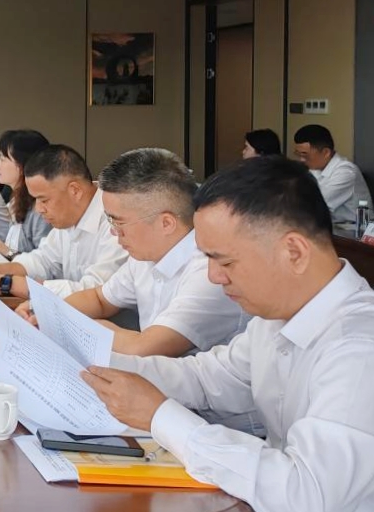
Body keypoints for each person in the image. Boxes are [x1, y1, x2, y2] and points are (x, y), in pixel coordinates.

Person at [82, 156, 374, 512]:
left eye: (225, 262)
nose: (213, 276)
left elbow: (307, 494)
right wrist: (97, 366)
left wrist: (159, 415)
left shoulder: (359, 348)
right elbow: (207, 378)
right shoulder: (274, 318)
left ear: (294, 252)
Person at [20, 148, 246, 357]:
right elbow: (99, 299)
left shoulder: (210, 271)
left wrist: (69, 323)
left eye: (118, 221)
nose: (112, 230)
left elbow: (144, 347)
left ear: (166, 223)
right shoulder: (146, 255)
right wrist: (45, 312)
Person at [0, 144, 127, 300]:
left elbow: (96, 293)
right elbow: (43, 261)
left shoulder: (117, 220)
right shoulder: (68, 217)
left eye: (44, 200)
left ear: (75, 191)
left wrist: (8, 283)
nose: (39, 209)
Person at [0, 129, 53, 256]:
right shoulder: (16, 199)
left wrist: (8, 252)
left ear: (22, 164)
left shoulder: (41, 209)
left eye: (2, 159)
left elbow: (45, 262)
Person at [292, 123, 371, 227]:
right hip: (331, 227)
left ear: (326, 152)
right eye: (298, 154)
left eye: (305, 155)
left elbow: (314, 205)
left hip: (354, 230)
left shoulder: (346, 172)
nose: (301, 160)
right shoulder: (314, 169)